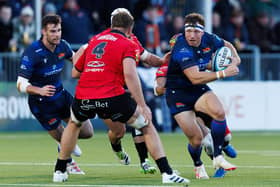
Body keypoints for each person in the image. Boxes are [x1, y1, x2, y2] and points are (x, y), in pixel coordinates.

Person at [53, 9, 189, 185]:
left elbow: (75, 73)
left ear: (112, 24)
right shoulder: (128, 43)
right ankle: (167, 173)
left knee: (74, 124)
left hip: (84, 95)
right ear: (130, 28)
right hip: (111, 95)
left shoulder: (94, 40)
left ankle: (59, 170)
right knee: (145, 125)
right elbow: (131, 75)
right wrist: (142, 104)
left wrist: (162, 61)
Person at [164, 12, 240, 179]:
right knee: (197, 139)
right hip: (178, 94)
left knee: (219, 114)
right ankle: (198, 165)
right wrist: (223, 73)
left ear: (203, 32)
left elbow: (226, 44)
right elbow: (194, 77)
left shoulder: (210, 38)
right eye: (188, 31)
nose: (191, 36)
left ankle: (219, 157)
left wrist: (235, 59)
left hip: (197, 89)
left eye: (196, 32)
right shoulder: (181, 48)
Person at [16, 14, 93, 175]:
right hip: (41, 104)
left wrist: (87, 53)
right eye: (52, 31)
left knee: (87, 132)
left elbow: (77, 61)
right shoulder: (33, 52)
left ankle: (64, 144)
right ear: (44, 31)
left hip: (61, 96)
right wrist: (39, 90)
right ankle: (68, 160)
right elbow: (20, 84)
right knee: (66, 140)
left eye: (59, 30)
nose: (57, 34)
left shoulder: (62, 46)